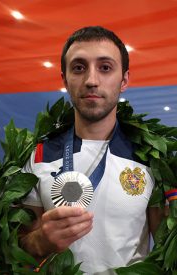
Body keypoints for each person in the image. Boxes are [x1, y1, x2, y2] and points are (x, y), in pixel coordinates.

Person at [20, 26, 164, 274]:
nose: (91, 80)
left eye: (105, 68)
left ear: (125, 80)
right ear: (65, 80)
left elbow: (171, 255)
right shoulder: (39, 156)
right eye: (78, 68)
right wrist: (40, 241)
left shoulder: (150, 159)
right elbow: (17, 255)